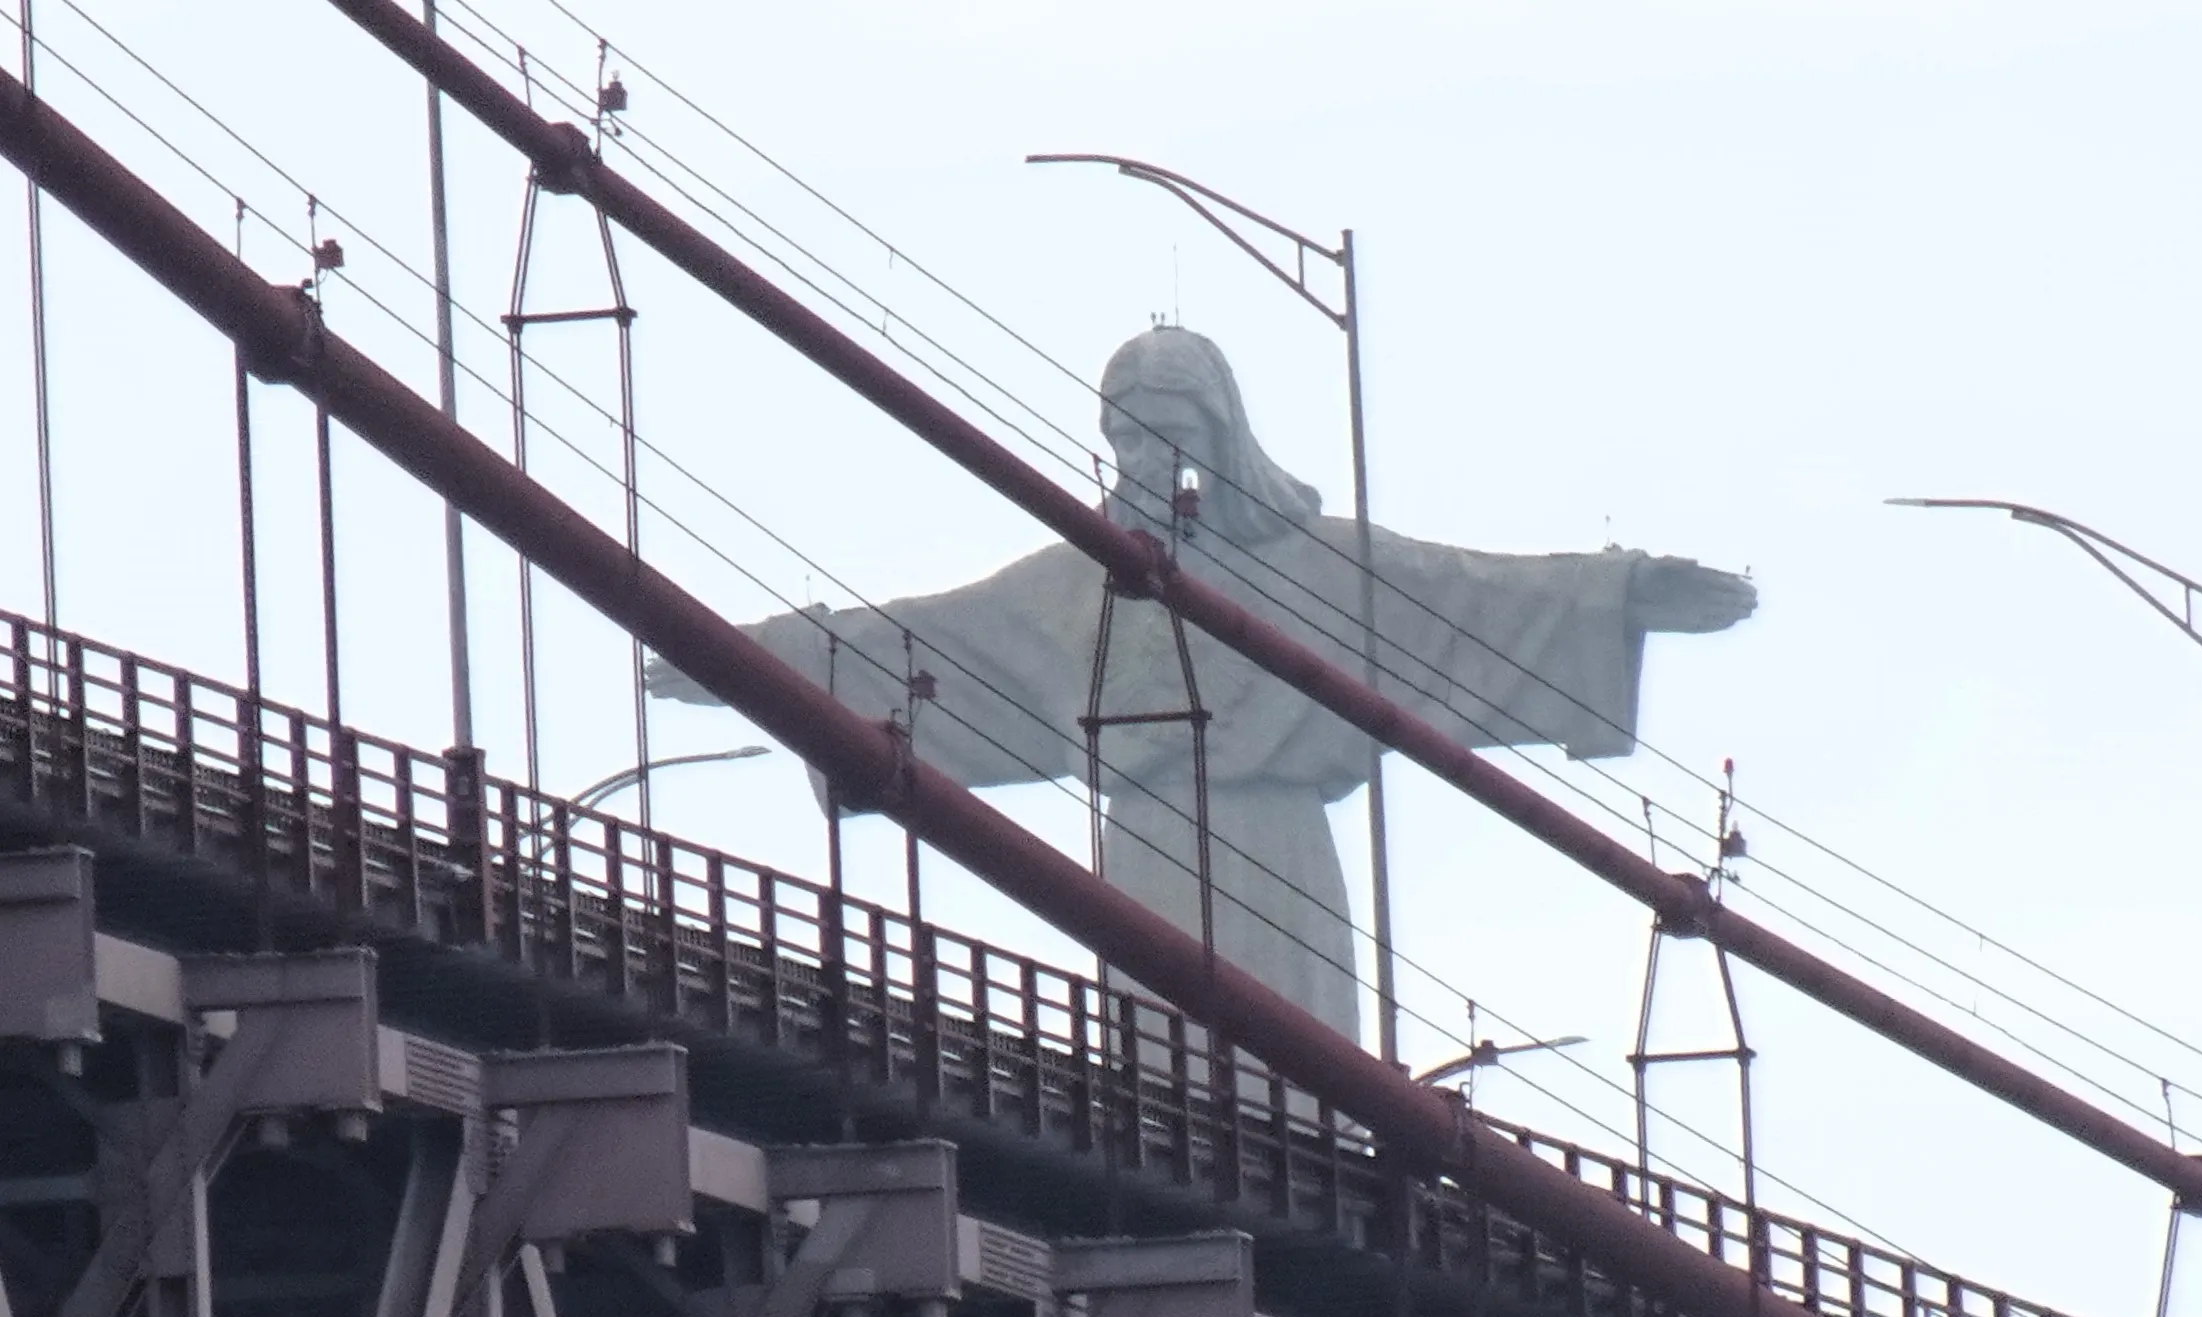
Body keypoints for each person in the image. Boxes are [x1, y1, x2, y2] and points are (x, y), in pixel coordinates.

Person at [650, 325, 1757, 1043]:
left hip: (1277, 849)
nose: (1148, 462)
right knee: (1158, 1067)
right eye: (1126, 438)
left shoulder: (1327, 566)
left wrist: (1624, 593)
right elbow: (913, 642)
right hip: (1147, 850)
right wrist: (738, 660)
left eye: (1170, 435)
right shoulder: (1066, 589)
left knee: (1299, 1073)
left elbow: (1472, 593)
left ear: (1223, 438)